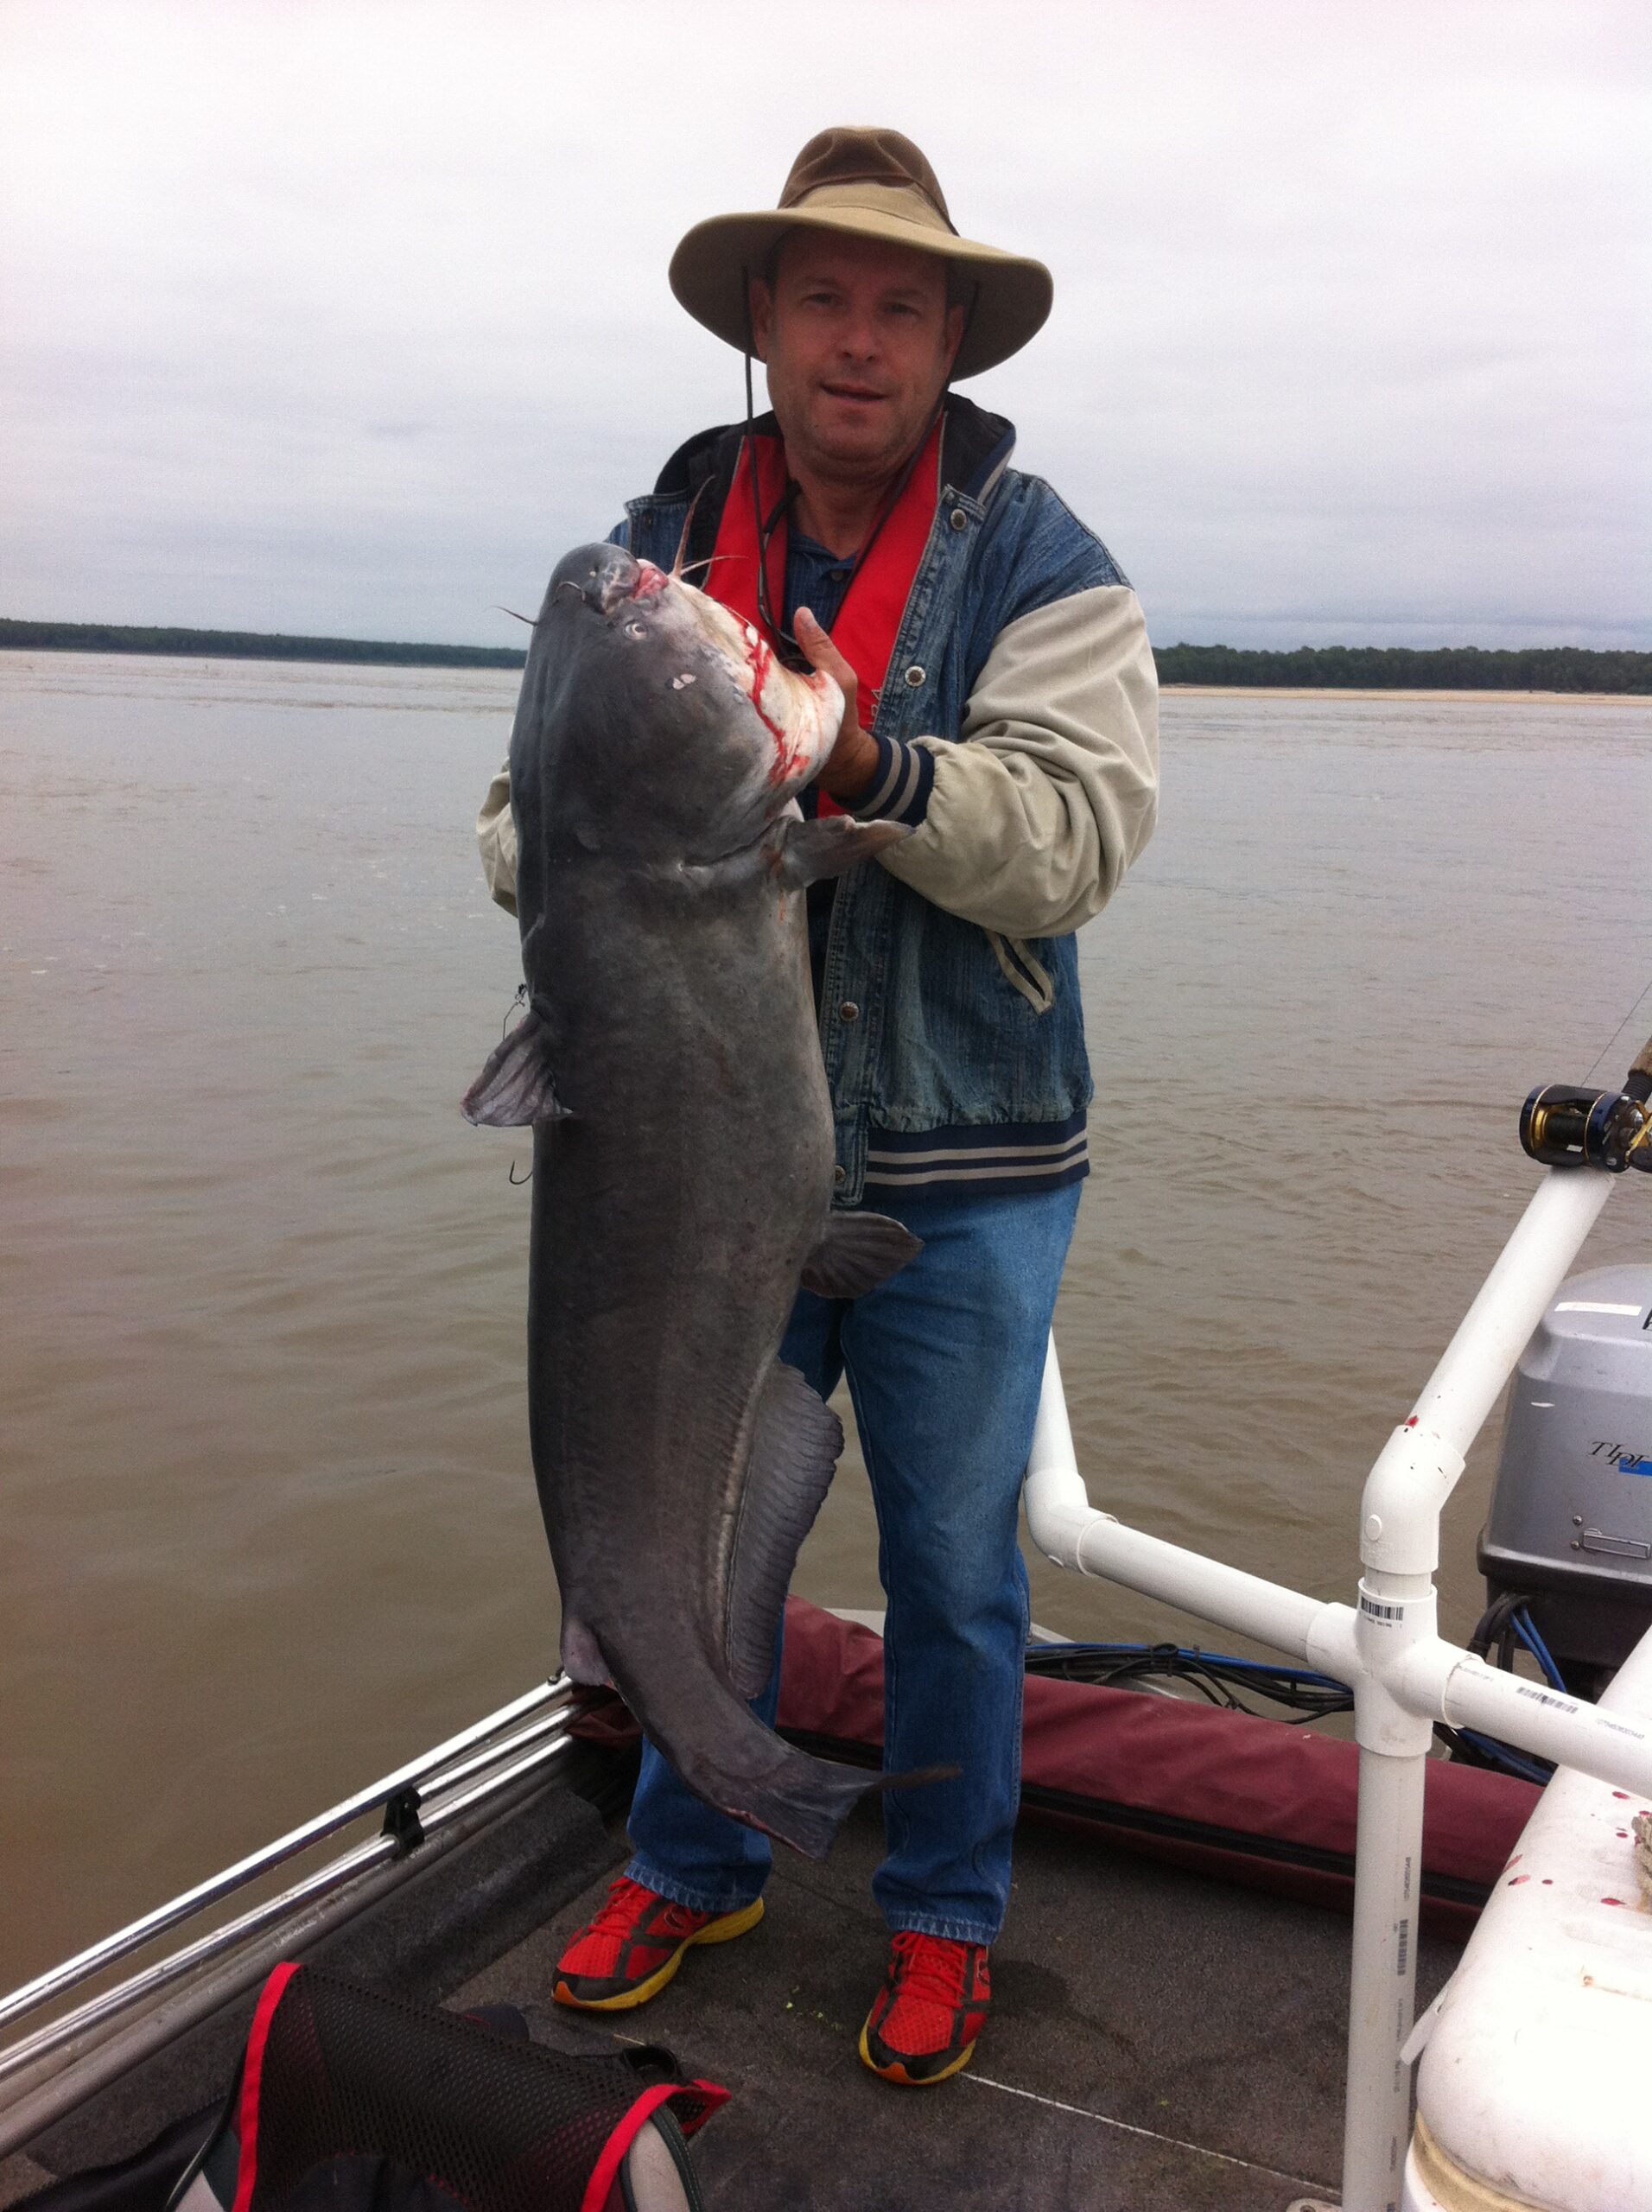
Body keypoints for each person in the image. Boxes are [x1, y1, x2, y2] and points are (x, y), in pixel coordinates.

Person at [476, 126, 1158, 2088]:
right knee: (679, 1535)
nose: (857, 340)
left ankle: (943, 1907)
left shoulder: (1047, 564)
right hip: (684, 1162)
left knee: (952, 1557)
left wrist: (865, 762)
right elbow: (514, 817)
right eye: (821, 297)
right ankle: (704, 1847)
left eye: (899, 305)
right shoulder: (653, 551)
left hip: (966, 1165)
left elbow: (1075, 839)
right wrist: (621, 851)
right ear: (760, 320)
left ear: (949, 338)